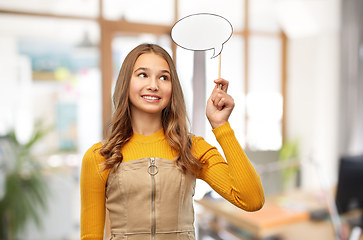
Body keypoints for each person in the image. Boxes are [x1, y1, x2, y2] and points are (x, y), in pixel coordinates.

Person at [80, 43, 265, 240]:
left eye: (163, 77)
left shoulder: (192, 149)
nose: (153, 85)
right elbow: (90, 236)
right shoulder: (99, 157)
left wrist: (221, 126)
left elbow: (252, 199)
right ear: (126, 82)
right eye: (143, 74)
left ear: (172, 88)